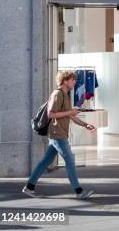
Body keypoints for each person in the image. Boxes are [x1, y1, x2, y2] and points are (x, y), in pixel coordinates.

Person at [23, 71, 96, 199]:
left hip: (59, 133)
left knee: (46, 161)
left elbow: (71, 115)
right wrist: (70, 112)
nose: (75, 82)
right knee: (70, 160)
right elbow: (50, 114)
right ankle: (79, 192)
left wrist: (86, 125)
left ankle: (29, 187)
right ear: (65, 81)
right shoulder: (57, 94)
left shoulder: (66, 95)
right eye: (72, 80)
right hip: (57, 134)